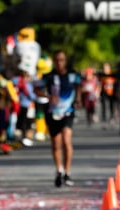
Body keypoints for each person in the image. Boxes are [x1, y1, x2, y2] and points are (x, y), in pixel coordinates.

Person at [42, 50, 81, 187]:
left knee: (66, 139)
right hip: (52, 112)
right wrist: (48, 97)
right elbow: (35, 88)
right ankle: (59, 170)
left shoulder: (73, 75)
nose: (59, 63)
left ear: (65, 61)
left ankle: (67, 172)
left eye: (62, 60)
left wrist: (78, 99)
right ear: (54, 61)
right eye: (57, 60)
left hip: (68, 111)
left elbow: (78, 87)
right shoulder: (48, 76)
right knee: (56, 143)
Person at [98, 62, 116, 128]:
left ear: (109, 68)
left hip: (111, 93)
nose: (105, 69)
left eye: (106, 68)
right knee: (104, 106)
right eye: (104, 68)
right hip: (104, 93)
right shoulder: (102, 75)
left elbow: (115, 83)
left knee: (112, 106)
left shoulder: (112, 75)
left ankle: (112, 118)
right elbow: (99, 84)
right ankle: (104, 120)